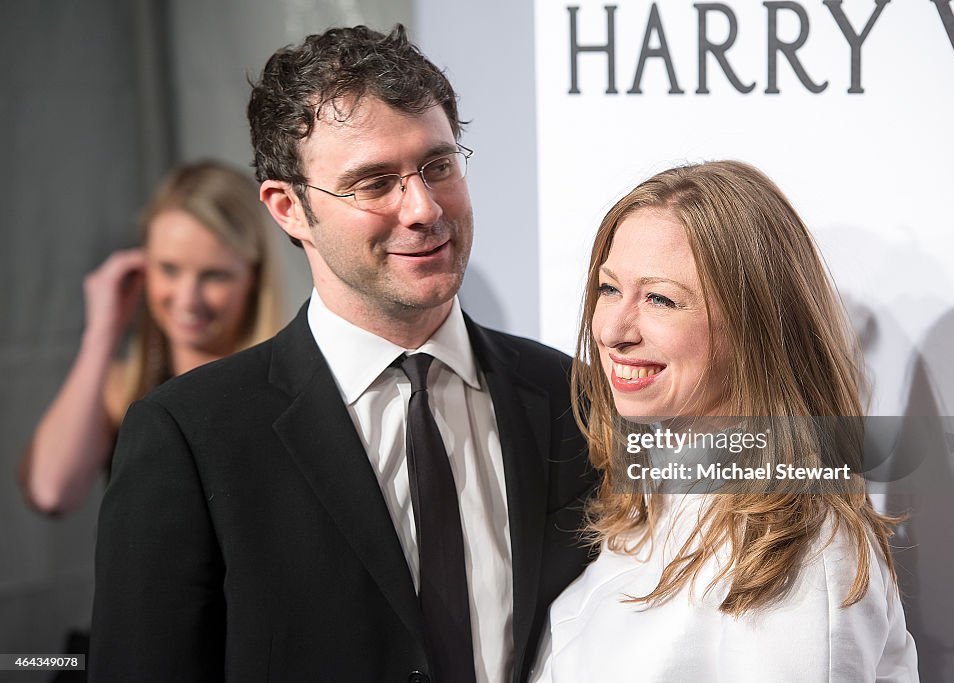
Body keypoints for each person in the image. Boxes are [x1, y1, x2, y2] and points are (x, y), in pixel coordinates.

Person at [89, 24, 595, 683]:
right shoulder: (192, 434)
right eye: (374, 182)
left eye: (438, 165)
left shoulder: (568, 395)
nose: (423, 207)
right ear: (288, 208)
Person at [531, 161, 919, 681]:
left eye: (660, 298)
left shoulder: (797, 549)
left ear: (752, 325)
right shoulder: (648, 496)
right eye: (608, 289)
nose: (614, 329)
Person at [19, 160, 283, 516]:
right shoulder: (120, 389)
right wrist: (102, 333)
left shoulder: (286, 389)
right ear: (143, 266)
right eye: (169, 269)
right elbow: (51, 492)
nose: (187, 299)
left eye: (214, 276)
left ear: (252, 277)